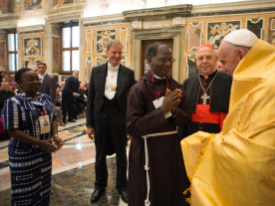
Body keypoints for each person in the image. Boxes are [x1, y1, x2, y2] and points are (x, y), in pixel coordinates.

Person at [181, 29, 275, 206]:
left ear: (241, 55)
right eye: (201, 58)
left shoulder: (269, 86)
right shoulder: (267, 78)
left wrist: (207, 145)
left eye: (223, 61)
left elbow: (260, 156)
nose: (223, 68)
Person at [127, 42, 191, 206]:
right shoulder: (138, 89)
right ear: (149, 60)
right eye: (163, 60)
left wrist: (171, 111)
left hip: (170, 148)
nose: (168, 64)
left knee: (171, 189)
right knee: (149, 192)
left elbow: (187, 117)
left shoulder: (176, 87)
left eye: (171, 60)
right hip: (147, 149)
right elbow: (133, 127)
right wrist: (162, 110)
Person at [1, 68, 64, 206]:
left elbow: (53, 117)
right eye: (31, 80)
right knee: (25, 190)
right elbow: (12, 130)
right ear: (19, 83)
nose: (36, 82)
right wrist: (39, 142)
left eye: (37, 79)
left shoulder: (45, 97)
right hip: (24, 154)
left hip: (44, 152)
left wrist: (55, 135)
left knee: (43, 187)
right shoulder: (14, 102)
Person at [86, 40, 135, 203]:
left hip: (120, 116)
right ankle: (100, 186)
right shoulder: (96, 71)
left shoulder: (129, 73)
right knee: (100, 155)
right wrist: (89, 124)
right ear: (107, 52)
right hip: (101, 116)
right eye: (114, 52)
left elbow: (131, 101)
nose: (117, 56)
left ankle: (122, 186)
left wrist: (130, 125)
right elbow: (91, 98)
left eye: (120, 53)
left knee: (121, 154)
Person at [178, 44, 232, 139]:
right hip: (191, 135)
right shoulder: (188, 83)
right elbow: (183, 114)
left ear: (216, 59)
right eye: (200, 58)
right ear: (195, 61)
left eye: (208, 57)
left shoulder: (228, 80)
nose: (204, 61)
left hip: (219, 135)